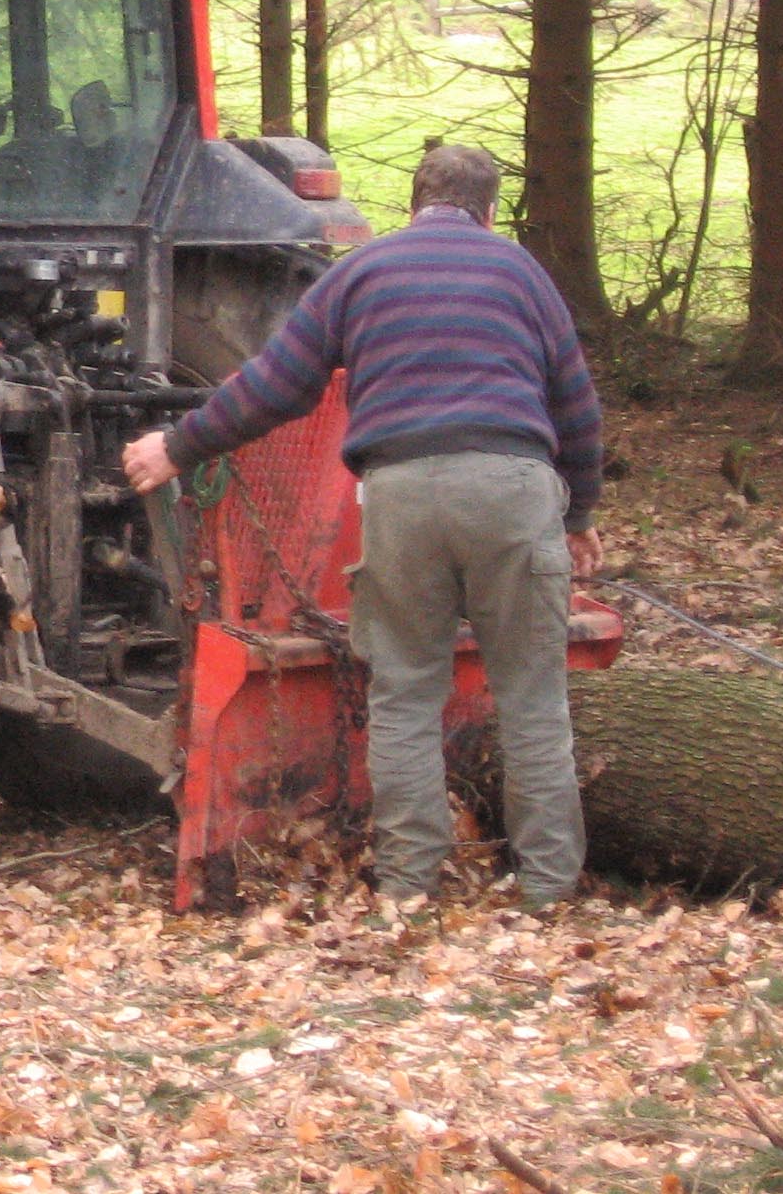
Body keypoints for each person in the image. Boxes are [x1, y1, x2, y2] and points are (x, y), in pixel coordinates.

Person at [121, 143, 604, 908]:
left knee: (407, 693)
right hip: (514, 487)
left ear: (416, 200)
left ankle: (409, 888)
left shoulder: (362, 272)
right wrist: (577, 516)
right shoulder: (522, 273)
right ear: (489, 208)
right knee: (533, 699)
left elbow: (274, 385)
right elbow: (576, 407)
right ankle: (547, 890)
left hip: (401, 490)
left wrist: (176, 448)